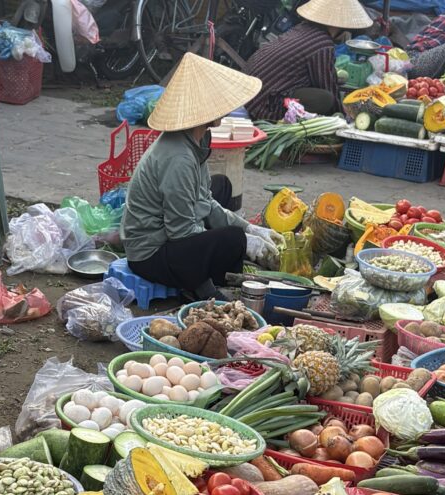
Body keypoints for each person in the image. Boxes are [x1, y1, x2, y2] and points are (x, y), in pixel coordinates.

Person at [122, 53, 283, 301]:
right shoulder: (179, 158)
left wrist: (249, 227)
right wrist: (243, 240)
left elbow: (203, 200)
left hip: (169, 232)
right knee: (233, 241)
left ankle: (210, 265)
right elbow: (182, 231)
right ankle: (200, 287)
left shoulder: (196, 139)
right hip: (149, 255)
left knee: (222, 187)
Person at [243, 0, 373, 121]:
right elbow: (327, 86)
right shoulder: (322, 43)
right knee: (326, 99)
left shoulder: (301, 28)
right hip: (264, 106)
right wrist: (342, 118)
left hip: (248, 96)